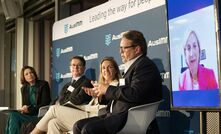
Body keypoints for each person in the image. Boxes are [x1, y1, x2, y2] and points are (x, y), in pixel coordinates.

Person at [73, 30, 162, 134]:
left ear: (137, 49)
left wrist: (107, 89)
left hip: (129, 119)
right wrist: (101, 94)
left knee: (88, 129)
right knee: (78, 126)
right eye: (120, 48)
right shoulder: (131, 67)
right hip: (114, 115)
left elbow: (135, 94)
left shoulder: (144, 65)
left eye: (124, 48)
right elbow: (120, 96)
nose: (121, 52)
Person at [5, 66, 51, 134]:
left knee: (14, 116)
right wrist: (23, 108)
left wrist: (29, 110)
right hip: (29, 115)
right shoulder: (24, 89)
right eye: (26, 74)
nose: (30, 75)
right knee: (12, 114)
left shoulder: (43, 84)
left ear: (34, 74)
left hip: (40, 116)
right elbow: (25, 105)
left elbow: (45, 102)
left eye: (31, 72)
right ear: (24, 77)